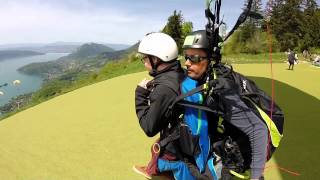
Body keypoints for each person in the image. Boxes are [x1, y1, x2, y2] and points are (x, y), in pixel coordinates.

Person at [182, 30, 269, 180]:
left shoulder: (223, 91)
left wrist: (257, 176)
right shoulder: (204, 77)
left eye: (194, 58)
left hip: (231, 161)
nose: (187, 63)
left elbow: (258, 129)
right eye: (186, 57)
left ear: (210, 60)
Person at [133, 32, 188, 179]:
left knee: (160, 148)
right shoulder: (180, 72)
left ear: (156, 59)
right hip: (185, 130)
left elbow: (149, 127)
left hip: (178, 145)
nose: (144, 61)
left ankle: (160, 172)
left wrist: (140, 95)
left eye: (145, 58)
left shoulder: (163, 90)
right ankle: (154, 168)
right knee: (158, 145)